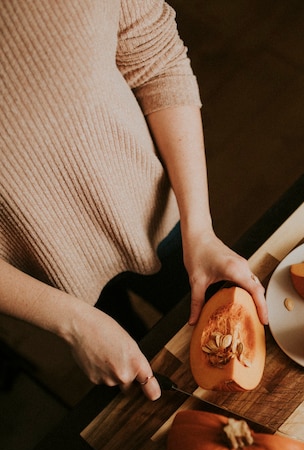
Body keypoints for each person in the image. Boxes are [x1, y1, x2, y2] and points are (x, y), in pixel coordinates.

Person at [0, 0, 268, 402]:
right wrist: (73, 323)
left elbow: (156, 61)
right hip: (43, 277)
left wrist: (200, 228)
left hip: (156, 216)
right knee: (141, 381)